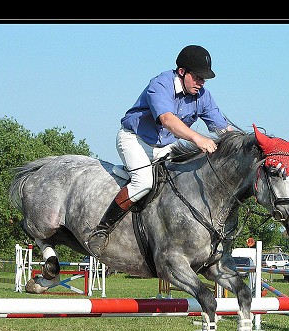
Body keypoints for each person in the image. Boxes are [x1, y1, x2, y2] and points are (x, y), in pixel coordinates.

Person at [86, 45, 233, 253]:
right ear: (182, 72)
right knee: (143, 183)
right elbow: (167, 120)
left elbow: (222, 128)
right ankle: (101, 230)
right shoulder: (161, 84)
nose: (201, 83)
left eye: (204, 79)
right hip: (136, 140)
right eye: (198, 77)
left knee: (183, 182)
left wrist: (246, 145)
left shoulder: (203, 96)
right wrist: (197, 138)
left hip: (165, 146)